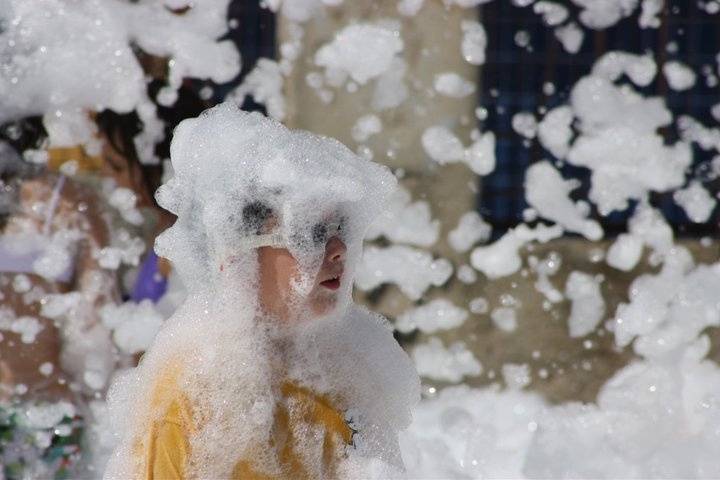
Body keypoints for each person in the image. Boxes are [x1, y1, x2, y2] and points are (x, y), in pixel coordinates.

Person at [103, 104, 420, 479]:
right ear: (239, 258)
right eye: (309, 234)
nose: (338, 250)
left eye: (342, 230)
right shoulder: (194, 395)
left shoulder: (350, 363)